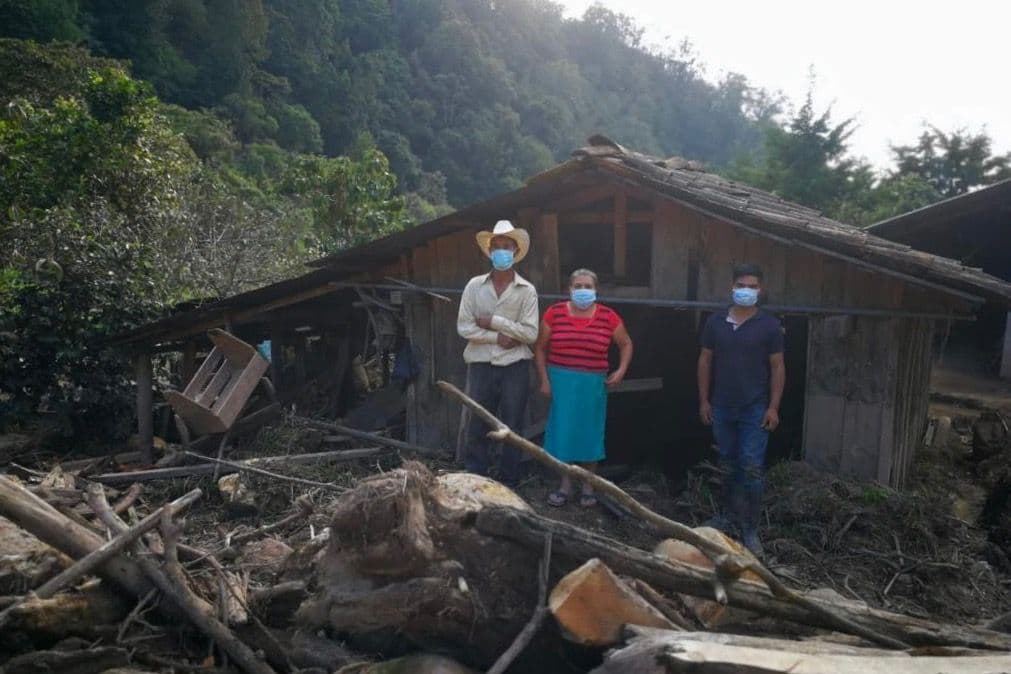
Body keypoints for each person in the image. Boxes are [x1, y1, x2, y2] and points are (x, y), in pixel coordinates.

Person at [697, 263, 785, 557]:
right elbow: (705, 361)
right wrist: (704, 401)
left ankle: (749, 529)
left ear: (761, 290)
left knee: (750, 467)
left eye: (752, 286)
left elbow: (777, 367)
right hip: (722, 406)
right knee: (727, 462)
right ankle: (726, 516)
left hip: (754, 408)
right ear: (731, 287)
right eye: (741, 284)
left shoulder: (769, 326)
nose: (746, 290)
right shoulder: (715, 323)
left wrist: (773, 407)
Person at [535, 268, 633, 507]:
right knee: (563, 431)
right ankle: (566, 485)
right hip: (561, 381)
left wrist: (620, 370)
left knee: (590, 433)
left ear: (596, 290)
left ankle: (588, 485)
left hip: (593, 383)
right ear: (569, 289)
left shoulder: (608, 316)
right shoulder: (554, 313)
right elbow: (539, 348)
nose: (582, 290)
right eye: (578, 286)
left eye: (587, 286)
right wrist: (544, 380)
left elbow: (626, 343)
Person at [457, 220, 539, 487]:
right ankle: (475, 479)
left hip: (515, 365)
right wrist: (498, 337)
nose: (501, 251)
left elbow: (529, 334)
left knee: (512, 426)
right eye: (497, 247)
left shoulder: (527, 290)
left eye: (507, 246)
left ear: (515, 252)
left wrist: (494, 321)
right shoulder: (474, 286)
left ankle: (508, 482)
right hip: (481, 364)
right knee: (477, 422)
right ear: (490, 251)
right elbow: (464, 327)